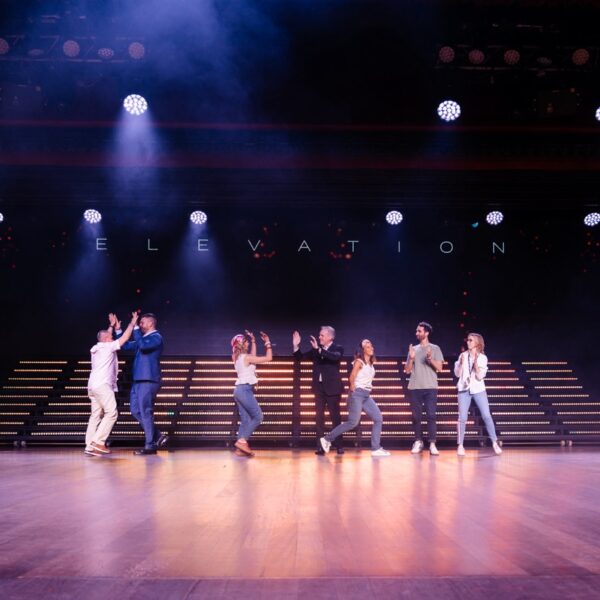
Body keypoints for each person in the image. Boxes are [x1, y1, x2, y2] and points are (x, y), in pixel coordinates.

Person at [320, 339, 390, 456]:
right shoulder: (359, 362)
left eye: (371, 346)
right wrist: (353, 389)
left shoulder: (370, 364)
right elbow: (352, 376)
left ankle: (375, 448)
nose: (371, 348)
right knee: (353, 422)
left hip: (366, 395)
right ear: (363, 350)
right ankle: (327, 439)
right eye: (368, 346)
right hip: (358, 393)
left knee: (378, 418)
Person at [84, 312, 137, 457]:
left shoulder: (98, 347)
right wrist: (132, 323)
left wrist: (111, 326)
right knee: (111, 413)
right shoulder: (108, 347)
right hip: (102, 385)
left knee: (95, 415)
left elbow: (105, 335)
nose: (112, 337)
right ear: (106, 339)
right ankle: (98, 442)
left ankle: (89, 446)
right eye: (111, 336)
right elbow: (124, 338)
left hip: (92, 386)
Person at [293, 326, 345, 455]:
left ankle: (339, 445)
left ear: (330, 337)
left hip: (333, 389)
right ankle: (320, 447)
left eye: (322, 335)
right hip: (319, 389)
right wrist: (296, 346)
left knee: (335, 418)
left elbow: (334, 357)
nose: (319, 337)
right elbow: (300, 357)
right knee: (319, 418)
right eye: (319, 335)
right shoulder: (316, 350)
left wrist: (319, 350)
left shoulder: (337, 348)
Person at [121, 312, 167, 455]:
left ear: (151, 323)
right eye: (139, 323)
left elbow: (143, 346)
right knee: (135, 410)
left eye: (142, 322)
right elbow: (125, 345)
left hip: (148, 380)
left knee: (146, 412)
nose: (140, 325)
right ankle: (157, 435)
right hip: (138, 380)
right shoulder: (143, 339)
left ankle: (150, 445)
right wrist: (118, 330)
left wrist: (134, 328)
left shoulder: (156, 337)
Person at [454, 332, 502, 456]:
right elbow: (457, 374)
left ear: (477, 343)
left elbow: (480, 376)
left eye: (471, 340)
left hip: (478, 389)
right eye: (468, 340)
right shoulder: (463, 355)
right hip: (464, 389)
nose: (468, 342)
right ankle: (460, 445)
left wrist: (476, 365)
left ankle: (495, 442)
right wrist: (460, 364)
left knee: (486, 415)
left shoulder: (482, 358)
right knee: (462, 418)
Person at [231, 330, 273, 456]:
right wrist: (267, 342)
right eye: (246, 341)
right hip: (244, 390)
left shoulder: (236, 357)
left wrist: (254, 341)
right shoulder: (246, 357)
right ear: (241, 344)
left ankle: (240, 449)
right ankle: (242, 441)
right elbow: (269, 358)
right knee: (258, 417)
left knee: (245, 420)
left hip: (238, 390)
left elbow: (252, 357)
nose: (248, 343)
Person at [404, 322, 444, 455]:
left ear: (426, 333)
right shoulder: (413, 349)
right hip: (415, 387)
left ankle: (432, 443)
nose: (416, 333)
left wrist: (430, 359)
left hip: (430, 387)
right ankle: (418, 441)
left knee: (431, 415)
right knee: (416, 416)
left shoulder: (435, 348)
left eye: (419, 331)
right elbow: (407, 370)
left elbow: (440, 368)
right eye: (416, 331)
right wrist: (411, 358)